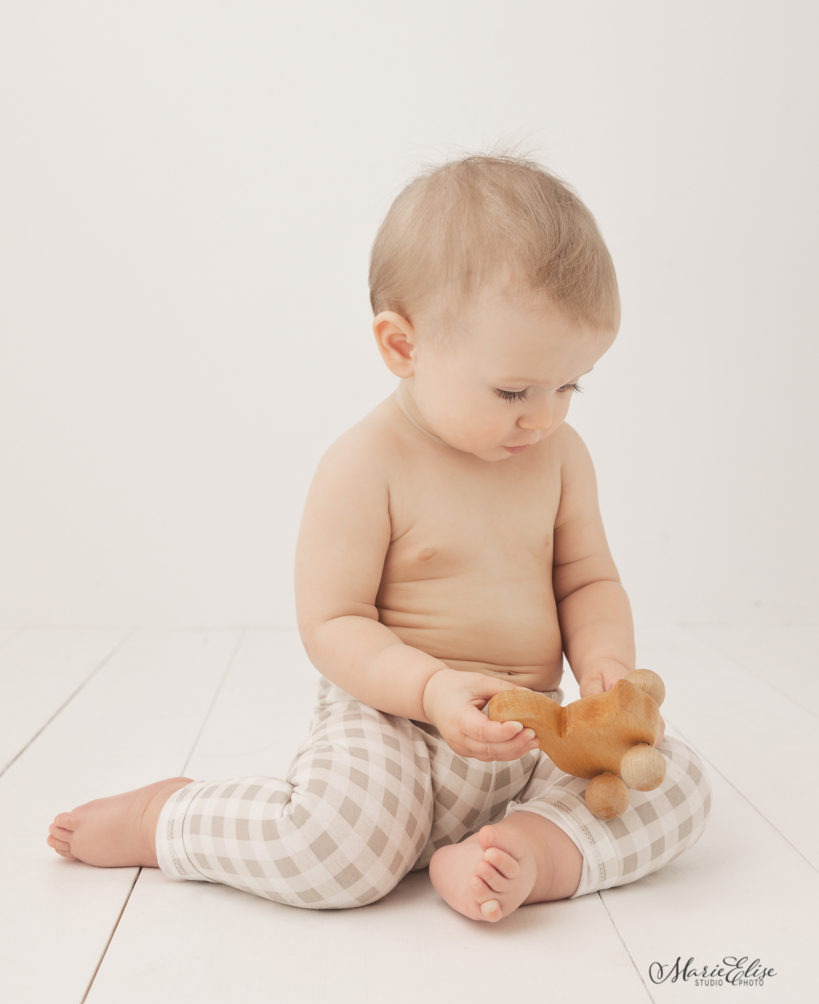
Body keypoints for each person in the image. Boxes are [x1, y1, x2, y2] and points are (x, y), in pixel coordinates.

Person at [47, 152, 711, 922]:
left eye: (570, 384)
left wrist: (604, 669)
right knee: (336, 852)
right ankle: (167, 820)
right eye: (513, 391)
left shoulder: (558, 457)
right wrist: (429, 688)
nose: (546, 415)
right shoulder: (366, 465)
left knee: (680, 781)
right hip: (393, 723)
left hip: (532, 733)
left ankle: (521, 849)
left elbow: (587, 581)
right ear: (403, 346)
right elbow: (333, 622)